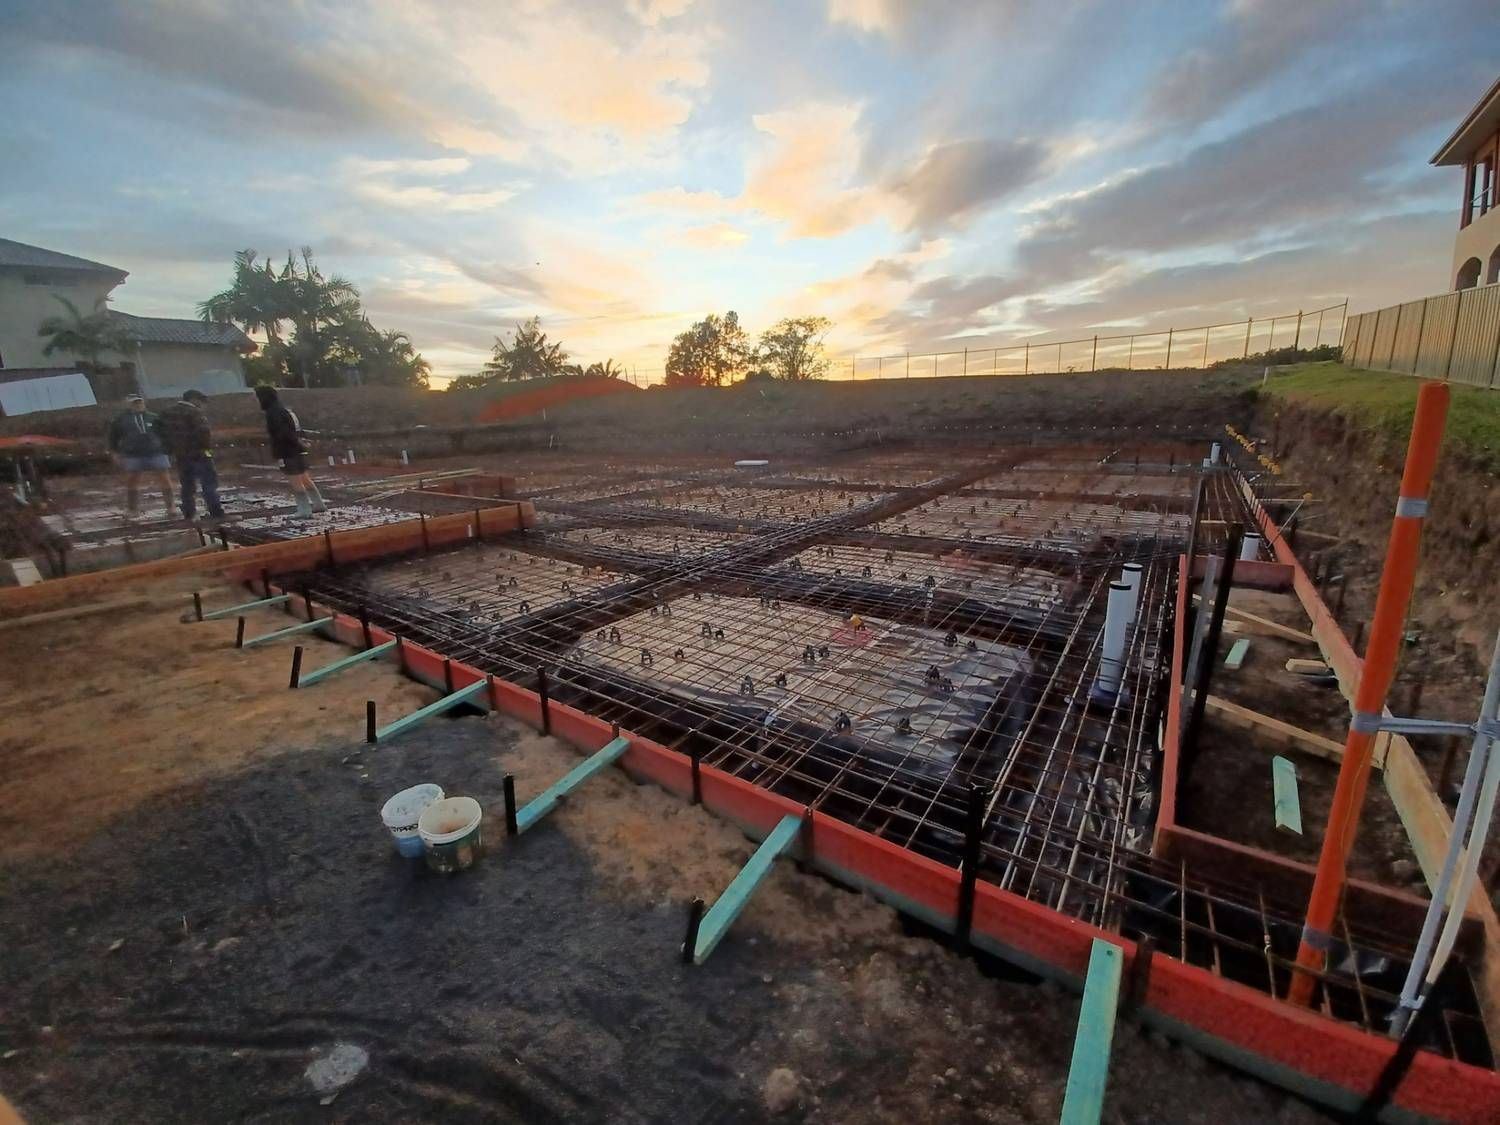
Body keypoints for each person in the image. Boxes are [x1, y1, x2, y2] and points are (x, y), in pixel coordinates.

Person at [254, 384, 326, 518]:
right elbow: (294, 430)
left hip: (286, 450)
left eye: (257, 398)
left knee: (295, 481)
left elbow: (283, 433)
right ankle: (318, 504)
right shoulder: (284, 410)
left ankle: (304, 510)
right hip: (296, 449)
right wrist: (300, 443)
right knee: (304, 477)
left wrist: (283, 446)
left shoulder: (272, 413)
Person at [161, 388, 226, 522]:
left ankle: (189, 513)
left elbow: (161, 433)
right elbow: (203, 433)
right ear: (193, 400)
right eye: (201, 401)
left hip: (180, 455)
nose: (202, 405)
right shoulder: (195, 412)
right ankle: (216, 512)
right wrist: (207, 449)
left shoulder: (168, 412)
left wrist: (170, 449)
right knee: (208, 483)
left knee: (187, 485)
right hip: (199, 454)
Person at [106, 394, 173, 520]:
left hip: (156, 452)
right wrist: (114, 453)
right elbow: (113, 438)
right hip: (133, 454)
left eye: (139, 402)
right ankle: (133, 509)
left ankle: (170, 507)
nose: (138, 405)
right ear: (129, 405)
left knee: (165, 479)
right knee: (132, 481)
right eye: (134, 403)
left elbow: (165, 434)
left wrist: (168, 449)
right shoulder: (120, 420)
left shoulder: (154, 417)